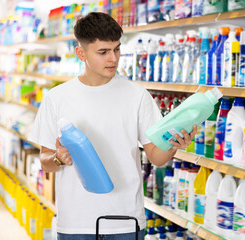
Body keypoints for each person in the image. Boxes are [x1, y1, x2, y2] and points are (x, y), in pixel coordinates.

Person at [28, 12, 196, 240]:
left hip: (125, 220)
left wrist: (174, 144)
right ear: (81, 53)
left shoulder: (137, 96)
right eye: (103, 52)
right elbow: (46, 162)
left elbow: (156, 157)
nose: (113, 59)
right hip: (76, 223)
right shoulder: (57, 98)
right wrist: (59, 158)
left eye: (116, 49)